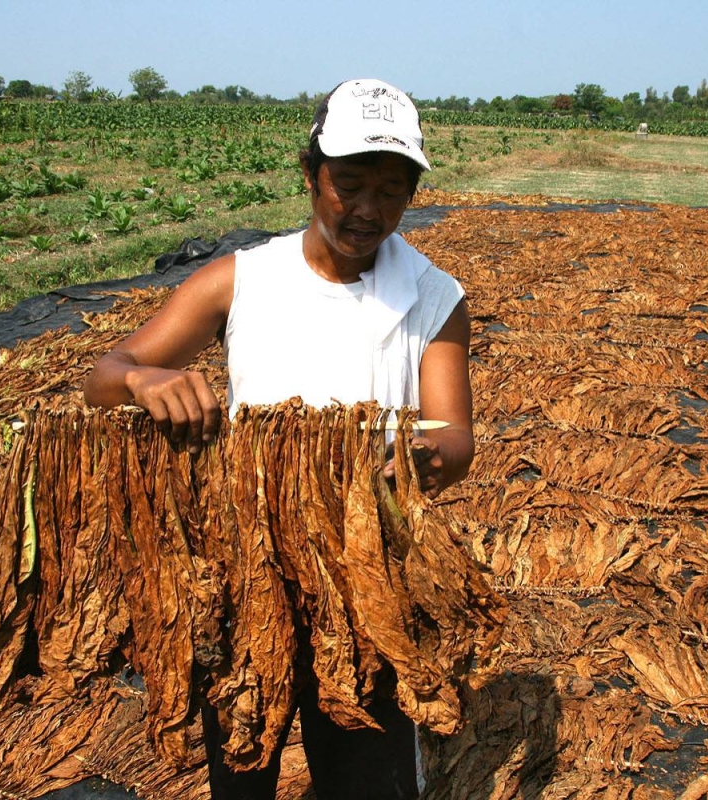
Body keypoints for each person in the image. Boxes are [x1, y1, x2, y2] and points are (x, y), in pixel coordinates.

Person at [82, 78, 474, 799]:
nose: (366, 209)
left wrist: (415, 461)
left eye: (390, 190)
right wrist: (145, 384)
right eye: (348, 184)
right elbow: (107, 372)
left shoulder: (432, 296)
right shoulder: (243, 281)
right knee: (242, 760)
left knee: (367, 768)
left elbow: (454, 436)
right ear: (309, 174)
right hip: (247, 561)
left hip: (369, 573)